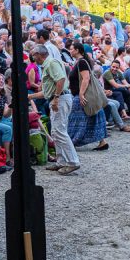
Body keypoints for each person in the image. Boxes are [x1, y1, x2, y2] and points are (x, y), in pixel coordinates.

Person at [28, 45, 79, 175]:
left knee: (59, 131)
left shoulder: (50, 63)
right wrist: (30, 96)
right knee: (56, 131)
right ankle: (61, 161)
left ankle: (73, 162)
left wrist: (56, 98)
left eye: (34, 55)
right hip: (58, 98)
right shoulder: (48, 64)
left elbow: (61, 79)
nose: (33, 58)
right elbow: (46, 92)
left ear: (39, 54)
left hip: (60, 99)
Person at [66, 41, 108, 150]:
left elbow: (86, 78)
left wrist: (81, 94)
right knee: (92, 117)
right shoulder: (80, 62)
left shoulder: (81, 62)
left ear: (77, 50)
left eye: (71, 49)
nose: (70, 51)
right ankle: (102, 141)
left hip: (81, 95)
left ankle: (72, 142)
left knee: (75, 119)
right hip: (84, 95)